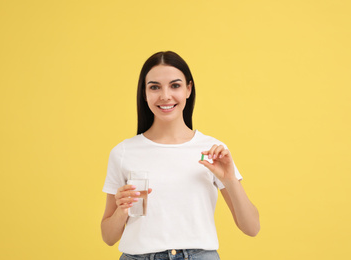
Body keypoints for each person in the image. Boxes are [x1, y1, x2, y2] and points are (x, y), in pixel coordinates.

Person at [101, 51, 260, 260]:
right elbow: (109, 236)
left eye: (175, 85)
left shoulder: (211, 150)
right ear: (144, 93)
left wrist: (230, 179)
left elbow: (251, 227)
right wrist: (122, 210)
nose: (165, 96)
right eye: (155, 87)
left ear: (188, 89)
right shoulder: (123, 152)